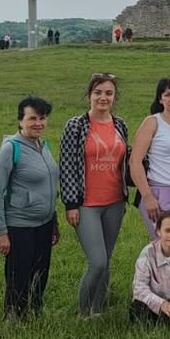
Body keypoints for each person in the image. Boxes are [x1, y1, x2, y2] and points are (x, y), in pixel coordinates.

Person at [59, 72, 130, 317]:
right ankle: (83, 313)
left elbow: (125, 161)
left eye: (108, 93)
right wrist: (71, 204)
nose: (103, 97)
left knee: (106, 260)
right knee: (97, 261)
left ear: (114, 97)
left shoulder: (120, 125)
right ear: (89, 95)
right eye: (98, 92)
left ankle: (98, 310)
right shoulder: (76, 126)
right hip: (86, 203)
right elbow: (67, 165)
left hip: (115, 202)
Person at [0, 96, 60, 317]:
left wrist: (54, 220)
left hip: (44, 223)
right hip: (20, 225)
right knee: (19, 275)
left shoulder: (43, 146)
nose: (38, 123)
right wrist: (1, 232)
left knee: (40, 272)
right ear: (20, 121)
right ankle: (14, 317)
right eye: (32, 118)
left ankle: (35, 312)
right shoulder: (10, 149)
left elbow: (48, 186)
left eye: (42, 118)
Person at [129, 77, 170, 237]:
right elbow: (135, 161)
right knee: (164, 242)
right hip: (160, 190)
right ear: (160, 99)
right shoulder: (152, 122)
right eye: (167, 95)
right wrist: (147, 196)